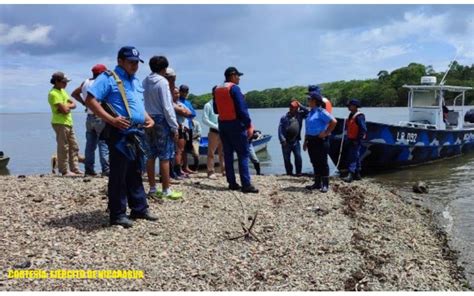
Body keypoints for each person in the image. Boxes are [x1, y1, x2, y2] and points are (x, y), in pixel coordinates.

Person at [85, 46, 157, 228]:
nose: (134, 65)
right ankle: (117, 213)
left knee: (135, 170)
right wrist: (111, 119)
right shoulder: (108, 78)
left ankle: (139, 208)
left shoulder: (135, 81)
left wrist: (148, 118)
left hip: (136, 130)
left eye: (136, 62)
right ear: (120, 61)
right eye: (131, 62)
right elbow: (90, 100)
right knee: (119, 173)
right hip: (120, 131)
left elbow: (137, 105)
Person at [142, 55, 182, 200]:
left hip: (147, 118)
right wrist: (174, 126)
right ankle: (166, 189)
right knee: (165, 156)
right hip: (161, 119)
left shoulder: (145, 81)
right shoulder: (163, 82)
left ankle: (152, 188)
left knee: (150, 154)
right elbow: (167, 106)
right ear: (164, 69)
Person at [213, 66, 258, 193]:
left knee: (228, 154)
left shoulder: (217, 89)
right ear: (232, 75)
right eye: (238, 76)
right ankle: (246, 185)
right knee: (243, 154)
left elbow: (216, 110)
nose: (239, 78)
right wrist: (249, 125)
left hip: (223, 124)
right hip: (236, 125)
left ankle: (232, 183)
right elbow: (242, 110)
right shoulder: (234, 89)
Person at [71, 64, 110, 177]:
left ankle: (89, 170)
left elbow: (74, 93)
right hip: (100, 117)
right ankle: (106, 169)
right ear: (102, 73)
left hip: (89, 117)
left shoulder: (86, 82)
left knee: (90, 145)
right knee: (103, 143)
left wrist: (85, 102)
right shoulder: (101, 83)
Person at [48, 71, 83, 176]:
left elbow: (73, 104)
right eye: (64, 82)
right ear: (57, 81)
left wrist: (67, 106)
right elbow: (64, 110)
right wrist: (66, 107)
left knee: (74, 146)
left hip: (68, 122)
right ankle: (64, 170)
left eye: (66, 82)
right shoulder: (53, 93)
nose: (66, 84)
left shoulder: (62, 91)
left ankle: (75, 169)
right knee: (63, 147)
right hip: (59, 123)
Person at [303, 91, 337, 193]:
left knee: (322, 162)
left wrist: (326, 132)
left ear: (315, 101)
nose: (307, 101)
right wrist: (305, 141)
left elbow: (334, 122)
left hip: (320, 141)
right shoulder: (310, 113)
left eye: (309, 99)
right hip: (311, 140)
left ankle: (325, 184)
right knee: (314, 162)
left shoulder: (321, 112)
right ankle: (317, 183)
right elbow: (307, 128)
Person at [278, 100, 309, 176]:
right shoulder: (284, 117)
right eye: (290, 107)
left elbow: (308, 112)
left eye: (293, 107)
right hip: (286, 142)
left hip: (296, 141)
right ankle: (289, 173)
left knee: (298, 157)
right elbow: (280, 129)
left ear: (297, 108)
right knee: (286, 159)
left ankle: (298, 172)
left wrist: (300, 105)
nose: (291, 108)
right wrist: (282, 140)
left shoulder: (300, 115)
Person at [342, 99, 367, 183]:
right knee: (355, 156)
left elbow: (363, 129)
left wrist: (358, 139)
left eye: (350, 105)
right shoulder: (351, 115)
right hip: (350, 139)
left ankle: (351, 175)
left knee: (352, 157)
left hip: (355, 140)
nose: (348, 107)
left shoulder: (359, 116)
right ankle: (357, 174)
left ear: (355, 106)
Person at [202, 95, 225, 179]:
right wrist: (216, 126)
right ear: (213, 94)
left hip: (224, 132)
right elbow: (204, 119)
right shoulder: (208, 105)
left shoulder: (223, 103)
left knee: (223, 153)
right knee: (211, 153)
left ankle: (224, 170)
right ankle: (210, 171)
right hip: (214, 132)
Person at [178, 84, 197, 174]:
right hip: (181, 126)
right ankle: (179, 168)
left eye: (186, 91)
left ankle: (186, 167)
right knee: (180, 149)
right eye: (183, 91)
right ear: (180, 91)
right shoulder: (177, 101)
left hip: (188, 127)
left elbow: (193, 113)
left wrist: (186, 113)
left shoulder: (188, 102)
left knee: (186, 149)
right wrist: (186, 113)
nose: (184, 93)